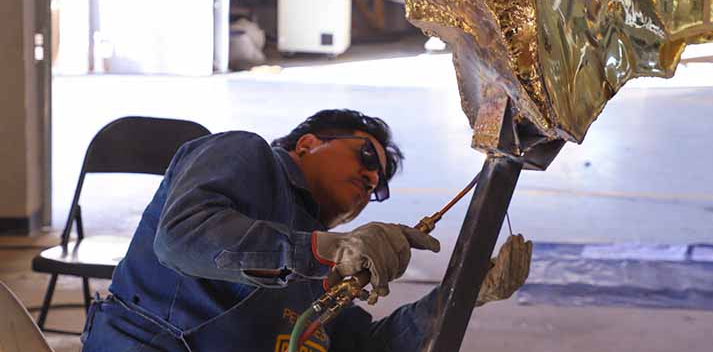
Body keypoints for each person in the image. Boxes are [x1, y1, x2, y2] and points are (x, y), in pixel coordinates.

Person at [81, 109, 446, 351]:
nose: (371, 178)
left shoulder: (325, 262)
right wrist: (323, 250)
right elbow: (181, 237)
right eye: (366, 156)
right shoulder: (245, 154)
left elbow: (364, 346)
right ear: (308, 144)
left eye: (378, 187)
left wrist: (458, 294)